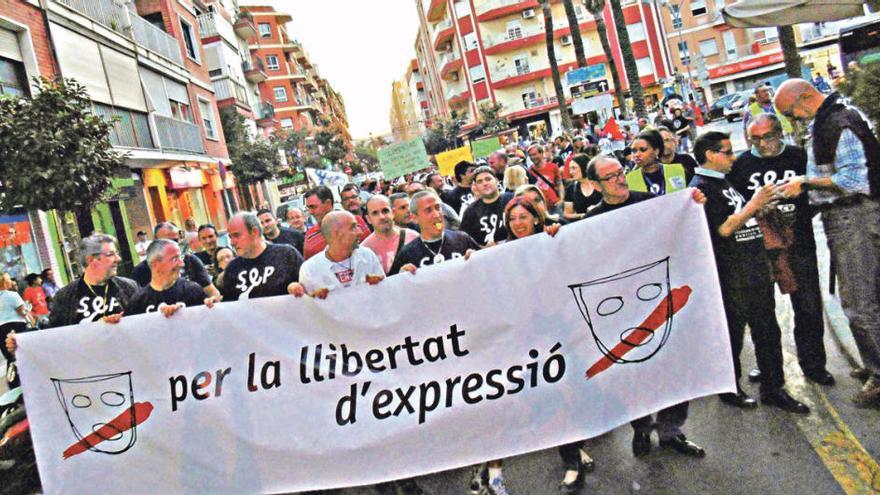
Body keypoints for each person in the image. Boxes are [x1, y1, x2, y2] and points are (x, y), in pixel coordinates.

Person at [585, 154, 709, 459]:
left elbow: (681, 226)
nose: (619, 179)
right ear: (595, 185)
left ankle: (671, 430)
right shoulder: (592, 219)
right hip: (622, 308)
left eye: (620, 172)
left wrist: (694, 204)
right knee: (632, 374)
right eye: (610, 177)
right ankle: (641, 427)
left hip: (661, 298)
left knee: (672, 367)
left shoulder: (652, 203)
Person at [775, 79, 880, 407]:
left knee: (859, 303)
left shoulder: (836, 124)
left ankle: (879, 376)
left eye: (792, 113)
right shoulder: (836, 118)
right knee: (863, 298)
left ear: (805, 98)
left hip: (853, 217)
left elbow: (852, 181)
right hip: (851, 217)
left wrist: (804, 182)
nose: (795, 121)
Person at [691, 131, 809, 413]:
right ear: (710, 154)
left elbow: (741, 215)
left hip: (755, 267)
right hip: (733, 274)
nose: (733, 157)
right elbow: (723, 228)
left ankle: (773, 387)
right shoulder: (701, 187)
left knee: (767, 330)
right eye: (727, 152)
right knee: (733, 334)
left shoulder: (724, 180)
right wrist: (753, 205)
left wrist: (759, 207)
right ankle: (729, 388)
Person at [727, 113, 833, 386]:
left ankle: (813, 364)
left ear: (780, 134)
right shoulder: (742, 165)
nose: (763, 144)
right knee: (762, 314)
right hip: (759, 250)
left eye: (768, 137)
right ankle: (769, 366)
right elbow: (733, 205)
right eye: (755, 139)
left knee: (808, 306)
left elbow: (819, 195)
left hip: (798, 244)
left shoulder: (798, 157)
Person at [41, 234, 136, 328]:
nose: (118, 259)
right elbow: (58, 335)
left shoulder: (128, 287)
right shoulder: (65, 297)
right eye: (110, 254)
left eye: (117, 253)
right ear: (91, 260)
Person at [389, 190, 479, 275]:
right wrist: (402, 276)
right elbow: (392, 286)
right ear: (415, 218)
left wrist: (477, 258)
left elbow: (486, 267)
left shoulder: (462, 239)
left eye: (437, 207)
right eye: (428, 210)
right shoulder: (406, 254)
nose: (436, 214)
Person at [298, 211, 385, 297]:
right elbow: (308, 307)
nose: (360, 232)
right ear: (336, 233)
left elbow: (383, 292)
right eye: (353, 227)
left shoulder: (367, 256)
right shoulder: (310, 270)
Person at [221, 212, 305, 301]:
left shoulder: (286, 254)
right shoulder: (232, 269)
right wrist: (214, 305)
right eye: (230, 237)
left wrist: (297, 287)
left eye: (236, 235)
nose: (232, 242)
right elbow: (229, 306)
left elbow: (311, 288)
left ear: (254, 232)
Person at [127, 239, 218, 317]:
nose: (181, 264)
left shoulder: (192, 290)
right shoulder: (138, 301)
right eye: (175, 259)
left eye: (180, 258)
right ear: (155, 265)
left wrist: (212, 305)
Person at [130, 223, 219, 299]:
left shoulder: (190, 261)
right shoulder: (140, 271)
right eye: (166, 241)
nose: (173, 245)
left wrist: (212, 302)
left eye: (176, 240)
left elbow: (211, 292)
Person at [303, 186, 371, 260]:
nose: (310, 212)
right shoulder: (310, 236)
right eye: (308, 208)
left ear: (328, 204)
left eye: (313, 207)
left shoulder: (356, 222)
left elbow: (371, 252)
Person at [361, 195, 419, 274]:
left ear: (393, 213)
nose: (381, 217)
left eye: (385, 211)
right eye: (375, 213)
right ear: (368, 219)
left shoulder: (413, 237)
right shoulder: (364, 250)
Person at [460, 166, 514, 247]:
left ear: (496, 180)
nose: (485, 183)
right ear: (476, 186)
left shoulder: (513, 199)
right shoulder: (470, 212)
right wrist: (484, 249)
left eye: (488, 179)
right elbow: (465, 242)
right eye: (480, 181)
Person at [626, 129, 689, 196]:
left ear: (656, 151)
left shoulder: (678, 170)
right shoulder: (629, 179)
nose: (637, 154)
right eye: (634, 151)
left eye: (643, 150)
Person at [1, 272, 30, 385]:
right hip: (17, 326)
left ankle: (13, 384)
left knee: (10, 357)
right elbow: (22, 312)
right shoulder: (12, 295)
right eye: (9, 280)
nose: (12, 282)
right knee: (23, 354)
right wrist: (28, 309)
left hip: (1, 328)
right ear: (4, 283)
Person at [526, 144, 564, 214]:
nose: (532, 157)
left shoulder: (553, 167)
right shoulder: (529, 172)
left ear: (541, 153)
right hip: (541, 209)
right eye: (530, 155)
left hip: (555, 205)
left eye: (534, 154)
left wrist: (561, 199)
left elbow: (559, 184)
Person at [563, 154, 603, 221]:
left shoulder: (600, 182)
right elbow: (567, 214)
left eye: (574, 168)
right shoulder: (571, 189)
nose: (571, 172)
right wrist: (583, 215)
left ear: (584, 167)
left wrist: (598, 208)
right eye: (570, 169)